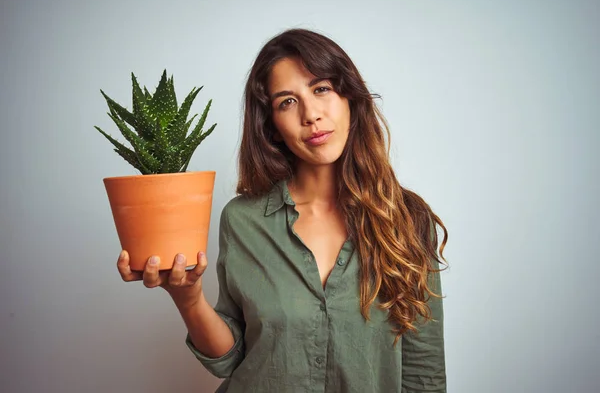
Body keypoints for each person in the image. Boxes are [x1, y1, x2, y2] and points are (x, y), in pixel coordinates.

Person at [117, 28, 449, 393]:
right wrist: (188, 299)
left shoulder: (406, 219)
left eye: (321, 88)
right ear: (272, 126)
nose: (310, 114)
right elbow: (229, 359)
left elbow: (423, 375)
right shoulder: (243, 220)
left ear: (349, 98)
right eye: (287, 102)